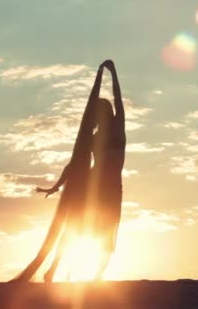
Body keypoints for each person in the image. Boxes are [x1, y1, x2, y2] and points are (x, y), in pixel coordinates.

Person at [9, 63, 104, 283]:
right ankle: (56, 270)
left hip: (81, 191)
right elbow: (71, 166)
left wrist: (55, 187)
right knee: (72, 233)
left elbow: (72, 166)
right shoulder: (86, 141)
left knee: (75, 233)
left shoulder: (91, 141)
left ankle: (57, 270)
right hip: (77, 192)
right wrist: (55, 187)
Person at [42, 60, 126, 282]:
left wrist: (112, 73)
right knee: (76, 228)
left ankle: (96, 276)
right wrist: (56, 186)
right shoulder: (94, 138)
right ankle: (53, 269)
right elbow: (75, 163)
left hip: (112, 189)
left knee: (107, 232)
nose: (98, 118)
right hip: (92, 187)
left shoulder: (118, 128)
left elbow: (118, 100)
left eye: (100, 112)